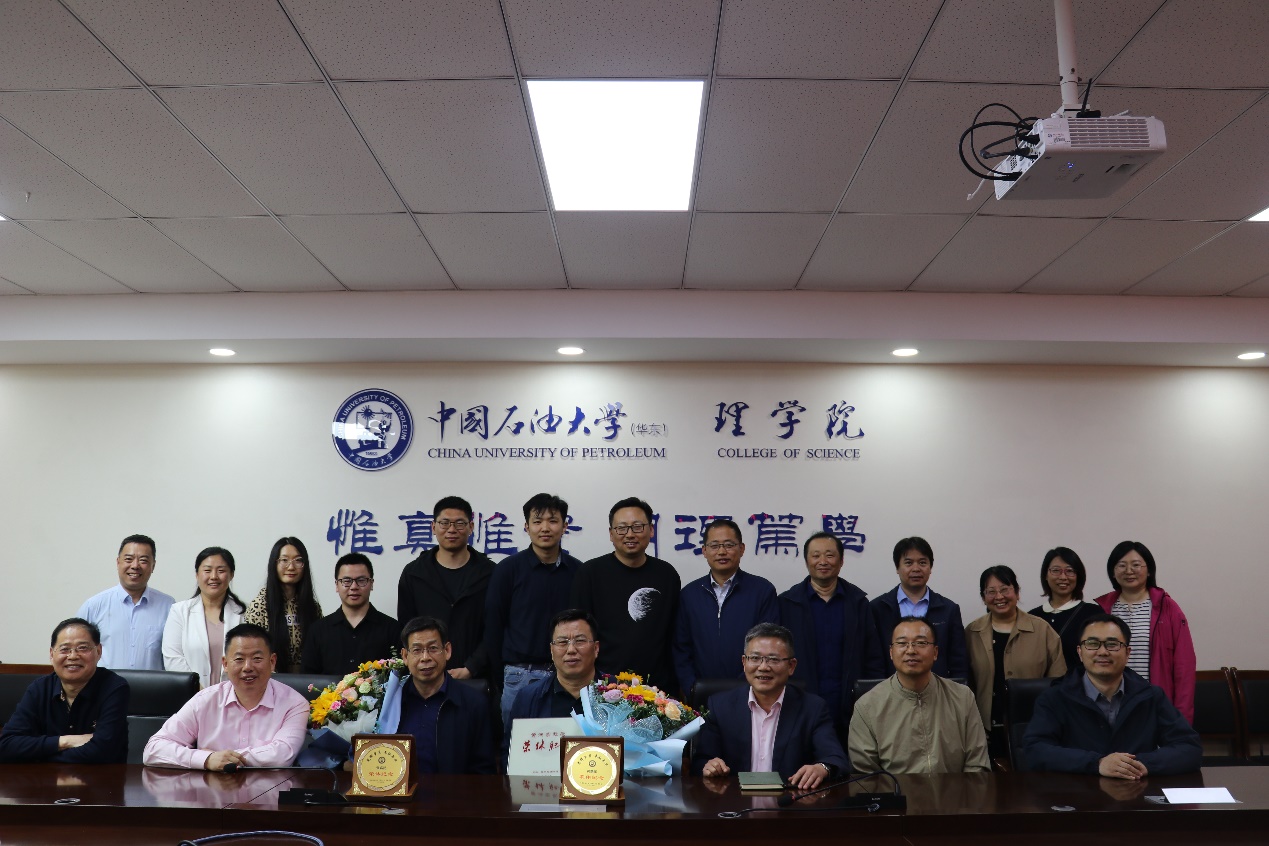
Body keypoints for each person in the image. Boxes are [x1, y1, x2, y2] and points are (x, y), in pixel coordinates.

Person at [1022, 613, 1202, 777]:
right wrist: (1097, 763)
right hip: (1077, 794)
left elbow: (1189, 748)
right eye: (1092, 644)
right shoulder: (1055, 697)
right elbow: (1035, 750)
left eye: (1112, 644)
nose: (1102, 652)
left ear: (1127, 652)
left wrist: (1140, 764)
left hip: (1137, 792)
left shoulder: (1151, 696)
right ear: (1080, 652)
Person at [691, 623, 847, 789]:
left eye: (773, 659)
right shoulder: (720, 706)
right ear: (744, 662)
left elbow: (835, 759)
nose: (763, 667)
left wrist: (822, 768)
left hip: (790, 800)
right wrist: (709, 766)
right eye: (755, 658)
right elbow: (700, 762)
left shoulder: (813, 708)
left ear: (791, 666)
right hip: (735, 800)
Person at [143, 623, 310, 770]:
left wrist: (220, 758)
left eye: (257, 659)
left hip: (271, 792)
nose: (247, 667)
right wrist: (206, 759)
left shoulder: (294, 704)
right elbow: (153, 749)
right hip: (211, 792)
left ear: (272, 662)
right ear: (225, 664)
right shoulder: (205, 700)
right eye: (239, 659)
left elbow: (282, 755)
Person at [778, 530, 886, 743]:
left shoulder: (858, 603)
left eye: (830, 555)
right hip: (799, 707)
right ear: (806, 561)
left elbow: (873, 658)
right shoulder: (786, 604)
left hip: (851, 708)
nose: (823, 561)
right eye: (815, 555)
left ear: (841, 560)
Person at [484, 493, 582, 724]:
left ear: (565, 526)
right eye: (537, 521)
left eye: (553, 521)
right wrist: (500, 677)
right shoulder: (507, 570)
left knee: (565, 742)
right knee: (517, 744)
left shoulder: (578, 572)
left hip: (567, 676)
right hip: (519, 675)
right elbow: (493, 626)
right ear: (526, 527)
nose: (545, 528)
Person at [849, 617, 989, 774]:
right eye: (902, 643)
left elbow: (977, 764)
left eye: (921, 643)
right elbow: (866, 775)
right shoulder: (867, 706)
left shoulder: (963, 697)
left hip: (956, 789)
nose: (910, 650)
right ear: (891, 652)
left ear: (935, 652)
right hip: (895, 790)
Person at [570, 497, 680, 691]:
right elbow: (579, 633)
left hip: (658, 686)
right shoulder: (590, 573)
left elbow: (675, 634)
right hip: (604, 685)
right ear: (611, 534)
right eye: (622, 528)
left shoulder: (667, 575)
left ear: (651, 530)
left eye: (637, 527)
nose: (630, 534)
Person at [965, 565, 1066, 758]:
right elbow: (967, 683)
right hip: (983, 731)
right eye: (991, 591)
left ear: (1017, 592)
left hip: (1033, 728)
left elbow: (1058, 683)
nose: (999, 596)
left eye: (1005, 589)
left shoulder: (1042, 630)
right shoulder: (972, 632)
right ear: (983, 597)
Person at [673, 519, 778, 698]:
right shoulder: (689, 594)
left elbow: (767, 646)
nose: (722, 551)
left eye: (729, 545)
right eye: (714, 546)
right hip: (700, 694)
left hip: (749, 693)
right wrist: (691, 687)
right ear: (704, 551)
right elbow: (681, 648)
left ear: (741, 549)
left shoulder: (762, 591)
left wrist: (745, 686)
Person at [376, 616, 495, 774]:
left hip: (454, 789)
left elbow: (484, 770)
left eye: (433, 648)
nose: (425, 658)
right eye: (417, 650)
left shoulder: (475, 703)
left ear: (447, 651)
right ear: (405, 656)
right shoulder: (389, 701)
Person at [0, 618, 129, 764]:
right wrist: (65, 741)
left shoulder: (114, 688)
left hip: (100, 778)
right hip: (45, 778)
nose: (73, 656)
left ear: (98, 652)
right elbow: (6, 746)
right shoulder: (39, 688)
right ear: (51, 654)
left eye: (83, 648)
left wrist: (39, 755)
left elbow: (103, 751)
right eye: (64, 649)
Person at [1094, 541, 1196, 724]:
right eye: (1121, 565)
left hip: (1154, 704)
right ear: (1113, 572)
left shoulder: (1167, 608)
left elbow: (1184, 665)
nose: (1129, 571)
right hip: (1110, 704)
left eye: (1136, 565)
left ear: (1149, 570)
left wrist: (1182, 719)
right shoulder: (1102, 610)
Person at [397, 496, 494, 680]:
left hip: (477, 677)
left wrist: (472, 667)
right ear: (433, 527)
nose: (452, 529)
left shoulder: (490, 573)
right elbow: (406, 628)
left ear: (471, 527)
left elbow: (495, 628)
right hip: (426, 677)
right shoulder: (414, 573)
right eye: (445, 523)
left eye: (459, 523)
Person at [503, 609, 600, 767]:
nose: (571, 650)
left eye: (580, 641)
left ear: (596, 648)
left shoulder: (620, 695)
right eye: (562, 642)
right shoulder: (528, 698)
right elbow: (510, 755)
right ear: (551, 650)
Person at [869, 537, 967, 680]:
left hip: (937, 689)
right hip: (891, 690)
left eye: (922, 563)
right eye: (908, 563)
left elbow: (959, 662)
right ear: (897, 568)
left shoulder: (949, 609)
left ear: (930, 568)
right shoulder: (877, 608)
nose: (916, 569)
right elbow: (873, 660)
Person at [77, 534, 175, 670]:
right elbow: (77, 650)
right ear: (118, 562)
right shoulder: (94, 606)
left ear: (153, 566)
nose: (135, 566)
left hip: (154, 684)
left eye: (143, 560)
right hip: (105, 684)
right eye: (129, 559)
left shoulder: (169, 606)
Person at [301, 553, 399, 676]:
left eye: (361, 580)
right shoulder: (318, 631)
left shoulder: (392, 629)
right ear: (337, 585)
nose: (354, 587)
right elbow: (308, 679)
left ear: (371, 584)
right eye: (346, 581)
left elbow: (400, 676)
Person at [163, 546, 247, 688]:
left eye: (221, 571)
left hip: (234, 694)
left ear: (231, 574)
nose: (214, 576)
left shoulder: (243, 613)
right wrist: (199, 691)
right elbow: (172, 658)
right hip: (191, 695)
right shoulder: (179, 611)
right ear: (197, 574)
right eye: (207, 570)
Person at [242, 537, 322, 674]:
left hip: (307, 681)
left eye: (298, 560)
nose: (291, 567)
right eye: (284, 560)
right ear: (274, 563)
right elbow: (252, 651)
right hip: (271, 680)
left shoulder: (312, 607)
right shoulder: (259, 605)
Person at [1028, 547, 1102, 672]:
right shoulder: (1031, 617)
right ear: (1046, 575)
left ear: (1078, 576)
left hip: (1080, 684)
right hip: (1040, 684)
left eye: (1069, 571)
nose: (1063, 577)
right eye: (1056, 570)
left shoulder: (1094, 614)